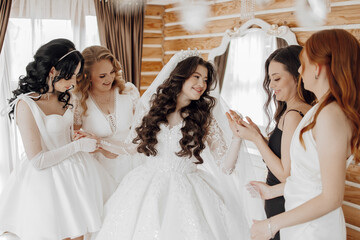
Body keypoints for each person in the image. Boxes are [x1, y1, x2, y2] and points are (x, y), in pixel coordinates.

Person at [92, 51, 260, 240]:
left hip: (189, 189)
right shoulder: (152, 108)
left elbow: (225, 167)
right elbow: (130, 148)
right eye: (196, 77)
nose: (201, 84)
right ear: (180, 76)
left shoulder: (204, 118)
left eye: (205, 80)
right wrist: (98, 142)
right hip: (146, 185)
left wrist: (237, 138)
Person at [248, 29, 360, 240]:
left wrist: (271, 225)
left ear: (317, 68)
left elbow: (331, 197)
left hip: (315, 229)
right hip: (301, 223)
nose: (300, 70)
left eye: (303, 63)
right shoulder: (320, 110)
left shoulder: (331, 115)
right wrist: (273, 191)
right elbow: (310, 179)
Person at [0, 39, 115, 240]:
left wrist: (79, 138)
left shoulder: (68, 97)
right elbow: (38, 160)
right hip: (46, 181)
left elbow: (66, 135)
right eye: (69, 76)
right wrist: (78, 145)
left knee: (81, 231)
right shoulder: (25, 104)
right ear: (52, 71)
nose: (73, 83)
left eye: (76, 76)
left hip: (77, 173)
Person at [230, 45, 316, 239]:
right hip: (284, 199)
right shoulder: (305, 109)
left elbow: (286, 174)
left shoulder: (293, 115)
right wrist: (257, 136)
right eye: (270, 79)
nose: (271, 85)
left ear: (298, 75)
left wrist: (255, 139)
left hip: (282, 201)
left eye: (277, 78)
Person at [73, 45, 140, 184]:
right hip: (99, 170)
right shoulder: (78, 100)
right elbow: (74, 139)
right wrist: (99, 148)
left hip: (133, 164)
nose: (109, 78)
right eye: (102, 76)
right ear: (87, 76)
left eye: (112, 72)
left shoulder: (129, 92)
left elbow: (142, 130)